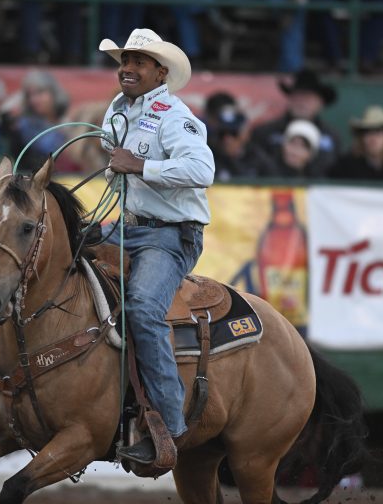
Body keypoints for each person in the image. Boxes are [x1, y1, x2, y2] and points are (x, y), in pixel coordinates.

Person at [97, 28, 214, 465]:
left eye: (139, 62)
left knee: (143, 309)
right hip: (126, 227)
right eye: (124, 60)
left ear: (160, 72)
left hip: (170, 235)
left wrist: (140, 165)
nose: (127, 68)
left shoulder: (175, 114)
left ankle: (170, 426)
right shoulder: (116, 109)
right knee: (51, 259)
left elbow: (202, 169)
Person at [248, 68, 340, 176]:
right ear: (290, 98)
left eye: (308, 97)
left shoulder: (332, 137)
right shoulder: (264, 133)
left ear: (320, 102)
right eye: (298, 96)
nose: (302, 102)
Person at [9, 70, 80, 173]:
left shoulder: (66, 119)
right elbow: (48, 149)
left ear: (53, 93)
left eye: (40, 92)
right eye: (30, 95)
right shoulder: (24, 124)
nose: (34, 99)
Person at [328, 105, 383, 181]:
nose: (373, 138)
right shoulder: (346, 165)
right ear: (361, 138)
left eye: (378, 132)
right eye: (367, 132)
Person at [255, 119, 323, 178]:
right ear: (284, 145)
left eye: (303, 146)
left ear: (311, 154)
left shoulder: (318, 181)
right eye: (293, 143)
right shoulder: (263, 172)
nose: (295, 151)